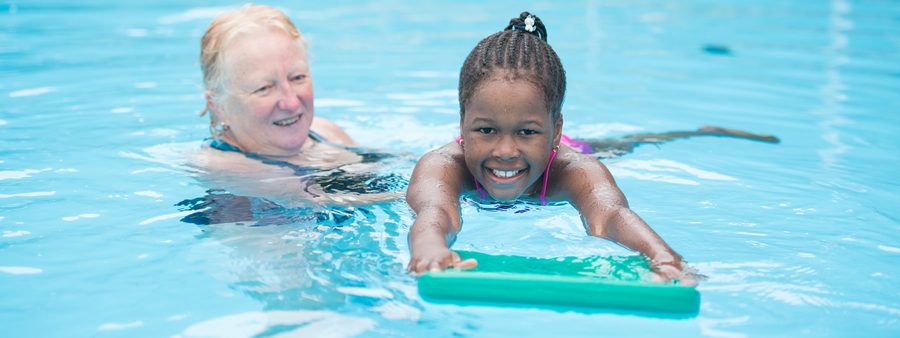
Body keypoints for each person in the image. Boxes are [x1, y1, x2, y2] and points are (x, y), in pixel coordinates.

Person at [406, 12, 777, 284]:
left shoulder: (575, 170)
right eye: (486, 130)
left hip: (572, 152)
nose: (505, 150)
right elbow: (435, 212)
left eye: (527, 132)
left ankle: (700, 131)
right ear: (461, 125)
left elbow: (610, 216)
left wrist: (660, 254)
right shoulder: (443, 165)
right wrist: (429, 249)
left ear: (555, 132)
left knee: (627, 145)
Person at [193, 4, 401, 208]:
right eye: (264, 88)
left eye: (297, 77)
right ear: (218, 106)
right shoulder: (225, 167)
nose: (291, 102)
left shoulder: (325, 131)